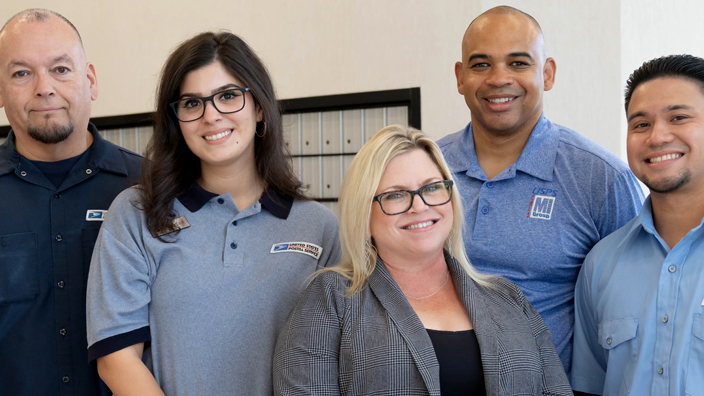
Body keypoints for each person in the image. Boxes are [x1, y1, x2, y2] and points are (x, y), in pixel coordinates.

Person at [85, 31, 340, 395]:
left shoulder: (320, 228)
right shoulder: (135, 212)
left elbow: (334, 359)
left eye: (228, 96)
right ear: (177, 120)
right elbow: (117, 360)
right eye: (192, 103)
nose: (211, 116)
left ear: (260, 107)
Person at [274, 125, 572, 395]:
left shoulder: (508, 299)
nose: (419, 206)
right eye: (395, 195)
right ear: (363, 214)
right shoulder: (332, 299)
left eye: (431, 187)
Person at [436, 5, 644, 372]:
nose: (498, 79)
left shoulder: (601, 178)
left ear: (547, 73)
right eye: (481, 64)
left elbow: (635, 311)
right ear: (460, 77)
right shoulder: (425, 167)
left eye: (518, 63)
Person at [0, 9, 141, 395]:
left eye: (61, 69)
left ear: (90, 80)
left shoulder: (148, 188)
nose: (44, 88)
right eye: (21, 73)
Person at [571, 54, 704, 396]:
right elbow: (590, 386)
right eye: (640, 124)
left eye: (678, 117)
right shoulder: (601, 263)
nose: (657, 137)